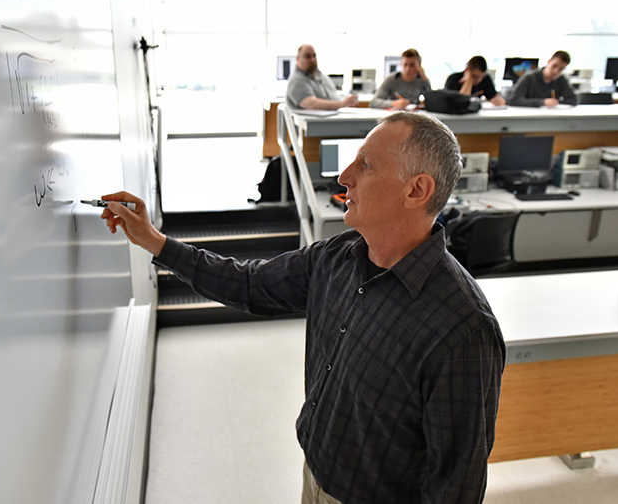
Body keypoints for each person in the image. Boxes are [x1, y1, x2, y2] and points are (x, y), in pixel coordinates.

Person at [100, 112, 506, 504]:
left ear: (416, 190)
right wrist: (155, 241)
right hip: (315, 475)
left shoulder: (463, 329)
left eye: (365, 165)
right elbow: (249, 283)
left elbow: (456, 483)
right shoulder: (338, 257)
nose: (343, 176)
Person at [286, 44, 359, 110]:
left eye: (314, 56)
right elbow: (310, 104)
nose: (312, 60)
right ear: (298, 59)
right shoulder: (297, 80)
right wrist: (342, 104)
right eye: (307, 56)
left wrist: (347, 101)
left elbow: (333, 95)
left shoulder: (319, 75)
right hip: (316, 123)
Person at [507, 51, 579, 107]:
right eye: (554, 66)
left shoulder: (561, 80)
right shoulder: (529, 77)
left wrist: (555, 103)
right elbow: (514, 100)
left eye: (561, 69)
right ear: (549, 62)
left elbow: (573, 99)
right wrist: (542, 102)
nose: (556, 71)